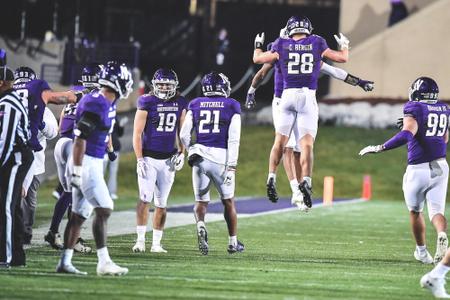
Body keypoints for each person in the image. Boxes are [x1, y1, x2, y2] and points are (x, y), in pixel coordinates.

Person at [246, 27, 373, 209]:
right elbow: (337, 69)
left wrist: (251, 91)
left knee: (286, 146)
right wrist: (359, 81)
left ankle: (274, 177)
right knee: (298, 147)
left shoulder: (280, 48)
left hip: (285, 100)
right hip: (301, 99)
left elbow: (259, 67)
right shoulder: (312, 47)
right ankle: (300, 186)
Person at [359, 77, 448, 267]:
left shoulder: (414, 108)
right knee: (437, 211)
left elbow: (407, 134)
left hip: (419, 169)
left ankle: (422, 252)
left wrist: (380, 147)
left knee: (415, 211)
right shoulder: (444, 108)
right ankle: (442, 234)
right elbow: (444, 138)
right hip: (441, 166)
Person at [56, 62, 133, 275]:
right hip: (86, 161)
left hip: (93, 160)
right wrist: (77, 170)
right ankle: (104, 261)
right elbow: (80, 137)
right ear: (117, 81)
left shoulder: (109, 101)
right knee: (105, 208)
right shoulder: (97, 102)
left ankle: (65, 261)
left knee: (78, 215)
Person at [13, 66, 81, 243]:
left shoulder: (41, 108)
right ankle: (14, 231)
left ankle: (26, 232)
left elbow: (53, 132)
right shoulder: (10, 103)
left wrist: (40, 122)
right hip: (14, 156)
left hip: (33, 159)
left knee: (29, 199)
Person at [180, 72, 243, 255]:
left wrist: (191, 148)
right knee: (228, 202)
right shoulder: (232, 105)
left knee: (201, 202)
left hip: (199, 157)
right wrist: (232, 166)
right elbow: (234, 139)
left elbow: (184, 134)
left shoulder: (195, 103)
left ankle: (200, 225)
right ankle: (232, 242)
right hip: (221, 159)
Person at [44, 63, 103, 252]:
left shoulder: (75, 91)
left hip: (61, 143)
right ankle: (66, 236)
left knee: (68, 193)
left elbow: (63, 119)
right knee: (75, 193)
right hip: (73, 144)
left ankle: (60, 233)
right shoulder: (96, 97)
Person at [132, 68, 187, 253]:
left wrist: (182, 152)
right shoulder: (146, 101)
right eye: (161, 84)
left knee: (162, 203)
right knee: (144, 199)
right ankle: (140, 241)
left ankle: (156, 243)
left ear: (174, 86)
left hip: (168, 159)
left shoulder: (180, 102)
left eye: (167, 84)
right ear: (154, 85)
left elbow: (183, 132)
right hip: (148, 157)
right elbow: (137, 134)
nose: (164, 87)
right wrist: (139, 159)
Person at [0, 66, 33, 267]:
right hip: (11, 156)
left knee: (6, 207)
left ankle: (7, 255)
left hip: (15, 157)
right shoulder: (6, 101)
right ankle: (16, 255)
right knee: (9, 206)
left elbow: (7, 138)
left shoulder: (9, 102)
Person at [103, 115, 127, 200]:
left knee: (113, 172)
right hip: (103, 149)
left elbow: (119, 134)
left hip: (115, 147)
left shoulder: (114, 115)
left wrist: (121, 126)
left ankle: (111, 192)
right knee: (100, 173)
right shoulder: (102, 112)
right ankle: (101, 193)